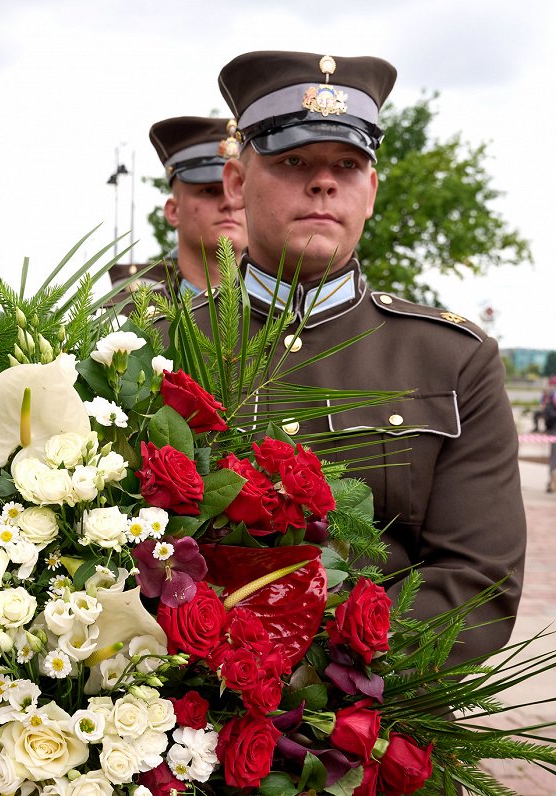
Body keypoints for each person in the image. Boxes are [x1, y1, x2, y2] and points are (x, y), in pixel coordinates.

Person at [213, 50, 526, 666]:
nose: (323, 181)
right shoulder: (158, 346)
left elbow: (475, 582)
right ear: (236, 184)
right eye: (292, 160)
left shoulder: (451, 358)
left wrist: (318, 677)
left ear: (371, 190)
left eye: (348, 165)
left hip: (371, 727)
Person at [147, 116, 248, 293]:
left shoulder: (289, 315)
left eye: (238, 190)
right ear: (173, 212)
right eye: (210, 191)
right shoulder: (128, 318)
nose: (229, 203)